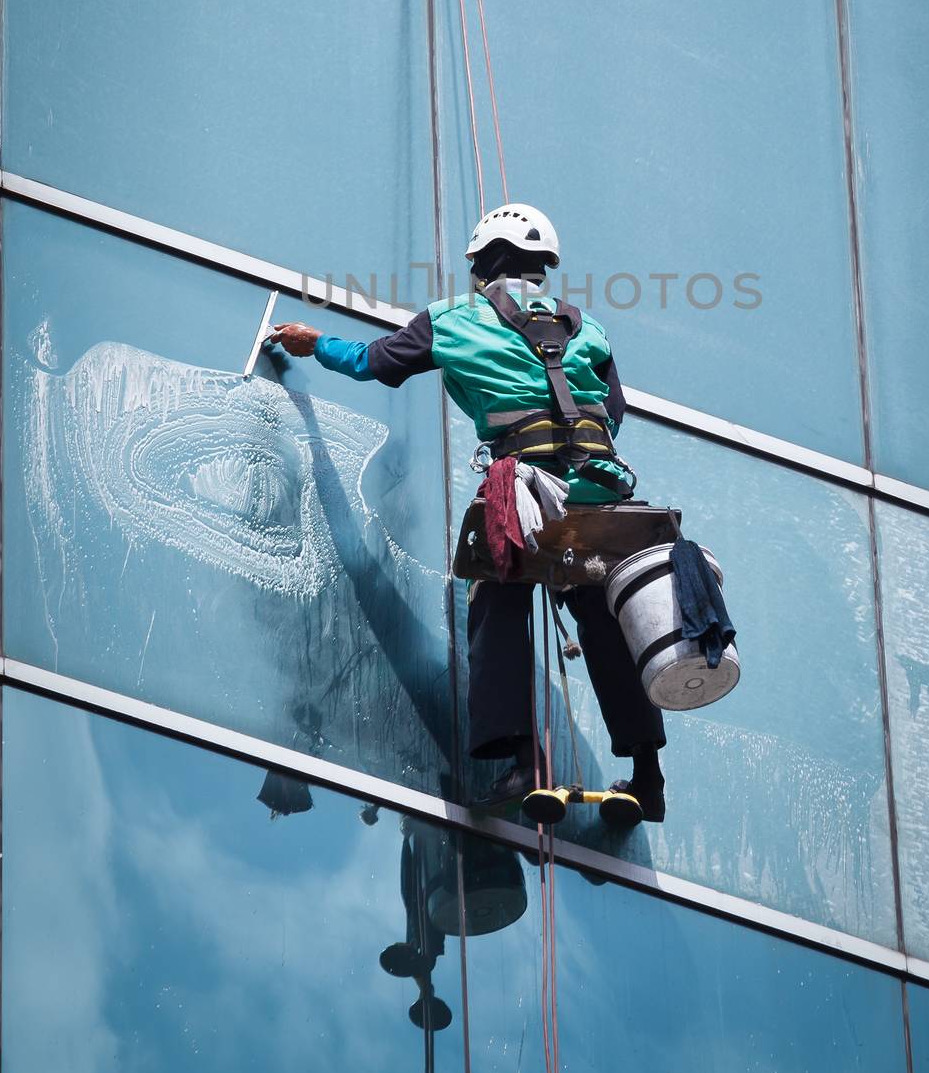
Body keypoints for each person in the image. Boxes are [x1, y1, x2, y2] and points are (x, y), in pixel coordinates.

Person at [267, 204, 666, 822]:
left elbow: (374, 363)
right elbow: (611, 414)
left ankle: (519, 761)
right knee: (604, 618)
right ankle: (646, 775)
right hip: (598, 491)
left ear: (481, 262)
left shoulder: (454, 318)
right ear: (542, 267)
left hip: (522, 490)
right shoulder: (587, 328)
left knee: (497, 602)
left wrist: (314, 343)